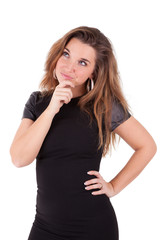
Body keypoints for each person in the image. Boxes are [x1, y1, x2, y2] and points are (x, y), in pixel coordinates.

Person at [10, 26, 157, 240]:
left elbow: (147, 146)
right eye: (66, 54)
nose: (69, 67)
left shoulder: (103, 107)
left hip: (93, 227)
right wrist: (52, 108)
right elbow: (19, 158)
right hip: (44, 227)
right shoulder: (38, 102)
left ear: (94, 72)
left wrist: (114, 186)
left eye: (82, 62)